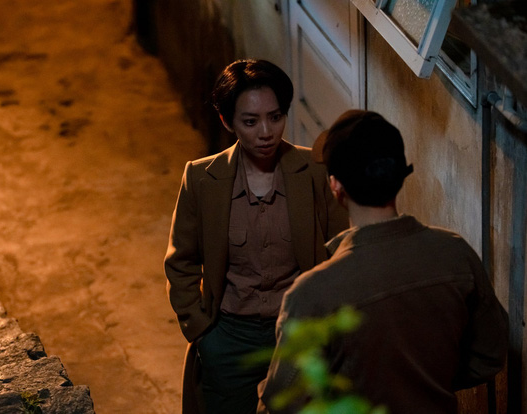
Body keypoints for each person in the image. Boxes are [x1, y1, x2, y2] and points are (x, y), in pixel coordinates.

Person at [258, 110, 509, 414]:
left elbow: (283, 404)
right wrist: (425, 382)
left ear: (336, 186)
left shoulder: (312, 293)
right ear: (400, 177)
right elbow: (490, 355)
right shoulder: (456, 254)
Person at [164, 59, 349, 414]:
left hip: (299, 334)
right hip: (229, 336)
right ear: (227, 121)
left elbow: (340, 251)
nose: (266, 132)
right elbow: (181, 262)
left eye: (275, 117)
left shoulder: (314, 172)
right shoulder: (202, 179)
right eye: (250, 122)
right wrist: (203, 332)